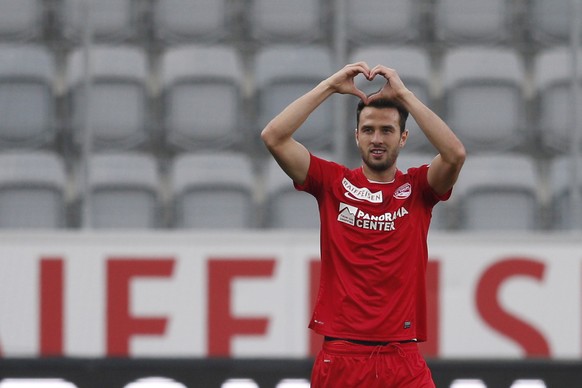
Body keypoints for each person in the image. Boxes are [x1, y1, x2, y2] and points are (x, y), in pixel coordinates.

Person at [261, 61, 465, 387]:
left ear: (403, 138)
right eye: (368, 130)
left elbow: (454, 154)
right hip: (342, 356)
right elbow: (274, 136)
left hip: (402, 358)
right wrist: (328, 86)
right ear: (356, 136)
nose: (377, 139)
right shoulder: (331, 183)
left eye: (387, 130)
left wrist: (405, 95)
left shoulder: (419, 189)